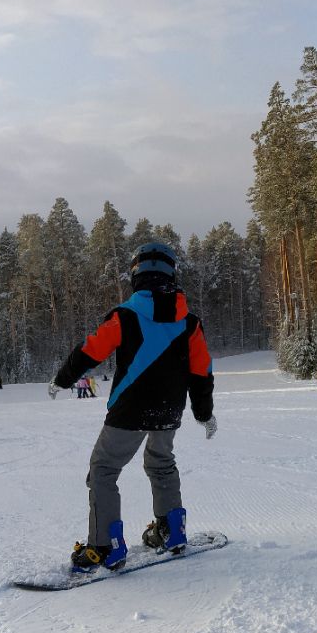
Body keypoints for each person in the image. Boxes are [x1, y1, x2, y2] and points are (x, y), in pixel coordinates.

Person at [48, 242, 217, 573]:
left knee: (104, 469)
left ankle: (103, 547)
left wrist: (62, 379)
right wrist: (202, 413)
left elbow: (89, 352)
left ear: (136, 275)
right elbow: (201, 373)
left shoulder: (125, 316)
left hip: (130, 411)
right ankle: (171, 532)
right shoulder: (190, 323)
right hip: (169, 412)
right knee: (161, 463)